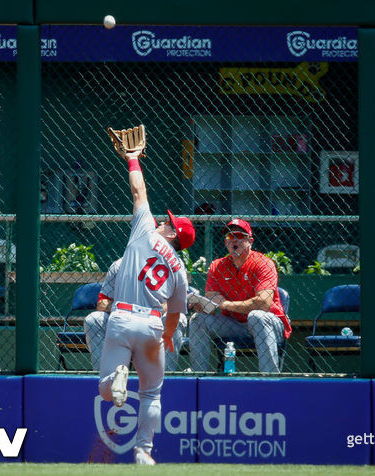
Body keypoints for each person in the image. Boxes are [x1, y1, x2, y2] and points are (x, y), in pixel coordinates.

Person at [97, 132, 195, 465]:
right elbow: (176, 314)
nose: (165, 221)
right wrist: (167, 335)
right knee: (151, 392)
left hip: (122, 319)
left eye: (170, 223)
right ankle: (143, 452)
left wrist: (132, 158)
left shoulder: (145, 230)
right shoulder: (180, 269)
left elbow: (138, 190)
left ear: (173, 233)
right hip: (154, 326)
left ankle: (117, 376)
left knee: (107, 392)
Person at [188, 219, 292, 373]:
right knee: (198, 320)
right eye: (230, 237)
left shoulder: (263, 263)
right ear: (225, 242)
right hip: (233, 324)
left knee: (257, 316)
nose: (234, 240)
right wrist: (201, 306)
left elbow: (263, 304)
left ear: (250, 241)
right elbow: (212, 304)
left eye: (239, 235)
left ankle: (269, 379)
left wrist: (225, 304)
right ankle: (199, 376)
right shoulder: (217, 266)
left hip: (269, 323)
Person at [84, 257, 187, 372]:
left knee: (180, 318)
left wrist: (146, 310)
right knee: (93, 319)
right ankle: (106, 376)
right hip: (121, 319)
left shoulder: (169, 264)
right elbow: (102, 303)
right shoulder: (119, 264)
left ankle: (166, 376)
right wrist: (125, 309)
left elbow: (177, 302)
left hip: (153, 320)